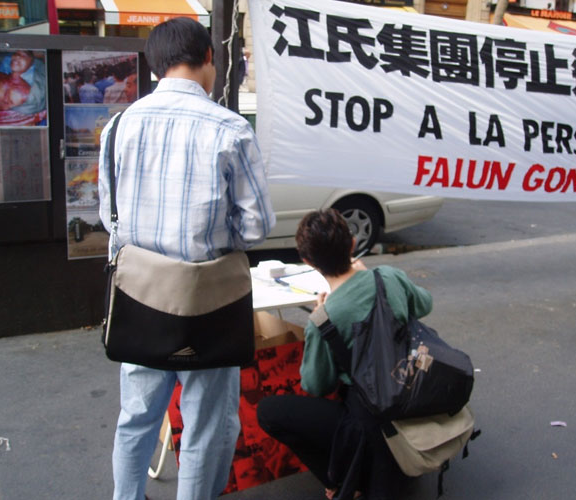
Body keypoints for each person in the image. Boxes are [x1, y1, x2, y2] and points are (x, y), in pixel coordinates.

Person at [97, 17, 275, 500]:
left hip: (139, 297)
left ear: (155, 65)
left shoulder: (119, 126)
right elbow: (256, 226)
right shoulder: (231, 129)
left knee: (136, 417)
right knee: (206, 426)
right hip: (208, 300)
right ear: (209, 58)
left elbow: (108, 215)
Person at [257, 209, 433, 500]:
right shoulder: (388, 277)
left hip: (367, 419)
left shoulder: (325, 317)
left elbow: (315, 385)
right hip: (411, 393)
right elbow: (425, 304)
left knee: (269, 411)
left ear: (308, 261)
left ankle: (340, 481)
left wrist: (320, 320)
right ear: (352, 244)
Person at [0, 50, 47, 126]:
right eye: (16, 54)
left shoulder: (30, 91)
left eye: (24, 56)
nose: (17, 56)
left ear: (31, 64)